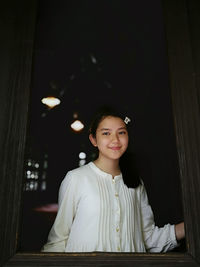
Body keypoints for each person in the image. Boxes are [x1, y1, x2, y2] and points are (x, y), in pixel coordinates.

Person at [41, 107, 185, 253]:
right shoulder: (76, 178)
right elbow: (57, 241)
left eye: (121, 132)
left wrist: (189, 226)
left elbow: (147, 238)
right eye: (106, 133)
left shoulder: (136, 182)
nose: (115, 140)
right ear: (93, 140)